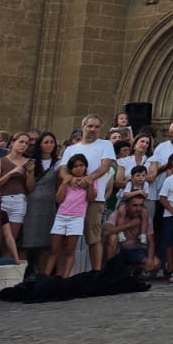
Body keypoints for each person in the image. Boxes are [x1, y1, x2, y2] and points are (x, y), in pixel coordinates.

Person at [61, 115, 117, 271]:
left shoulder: (105, 145)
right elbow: (63, 169)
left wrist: (89, 179)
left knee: (93, 237)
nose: (93, 130)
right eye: (90, 126)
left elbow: (105, 166)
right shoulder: (71, 149)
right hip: (71, 199)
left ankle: (96, 272)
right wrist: (70, 179)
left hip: (94, 198)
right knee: (67, 238)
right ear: (83, 126)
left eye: (97, 127)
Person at [50, 153, 92, 278]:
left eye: (81, 165)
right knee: (54, 250)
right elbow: (58, 199)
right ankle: (47, 277)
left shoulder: (88, 180)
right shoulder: (67, 180)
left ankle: (65, 278)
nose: (79, 168)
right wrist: (64, 183)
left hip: (77, 217)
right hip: (61, 216)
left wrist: (90, 184)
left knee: (70, 250)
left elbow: (91, 198)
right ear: (70, 169)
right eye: (75, 166)